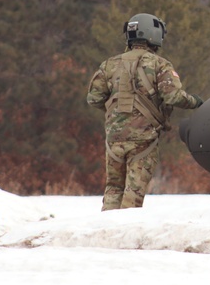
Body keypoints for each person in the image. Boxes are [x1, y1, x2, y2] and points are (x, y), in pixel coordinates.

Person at [87, 13, 203, 210]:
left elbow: (94, 99)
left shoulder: (109, 64)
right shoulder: (160, 64)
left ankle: (106, 232)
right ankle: (125, 234)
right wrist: (197, 102)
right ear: (154, 34)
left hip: (114, 139)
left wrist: (118, 116)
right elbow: (173, 97)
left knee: (114, 188)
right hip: (143, 141)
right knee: (133, 193)